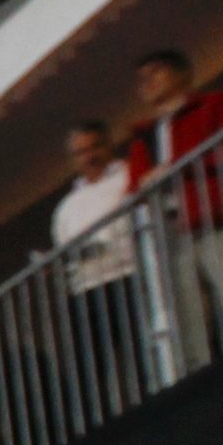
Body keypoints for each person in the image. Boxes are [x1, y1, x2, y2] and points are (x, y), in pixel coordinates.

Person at [125, 48, 223, 357]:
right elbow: (135, 187)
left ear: (182, 74)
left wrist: (178, 166)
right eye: (141, 78)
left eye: (155, 72)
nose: (147, 82)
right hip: (172, 233)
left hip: (219, 218)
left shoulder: (216, 104)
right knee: (190, 324)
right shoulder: (144, 135)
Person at [49, 119, 143, 401]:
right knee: (93, 369)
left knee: (138, 351)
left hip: (127, 276)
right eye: (80, 152)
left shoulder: (128, 177)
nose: (89, 157)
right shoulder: (65, 208)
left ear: (108, 145)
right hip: (86, 290)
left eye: (94, 147)